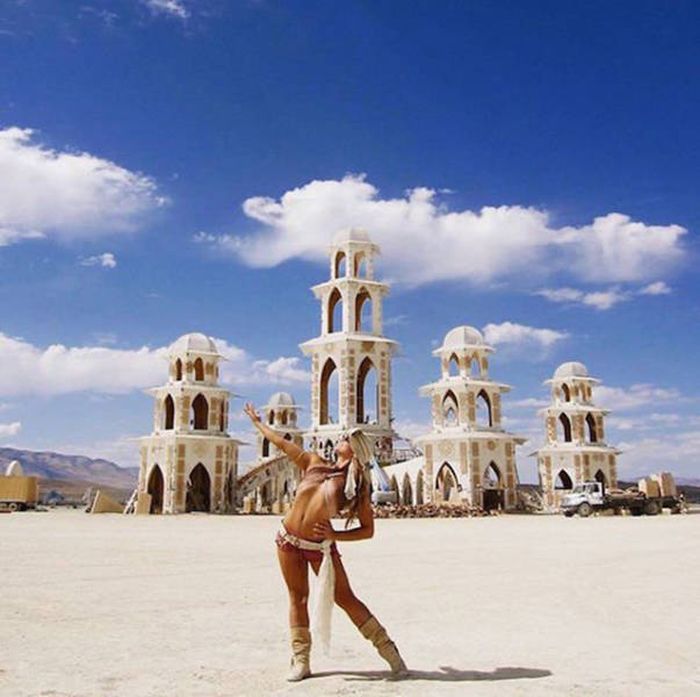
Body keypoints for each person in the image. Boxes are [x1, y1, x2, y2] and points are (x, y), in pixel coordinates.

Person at [244, 402, 407, 682]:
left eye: (346, 438)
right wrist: (258, 423)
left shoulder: (354, 487)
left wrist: (335, 536)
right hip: (288, 541)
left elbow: (368, 530)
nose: (340, 439)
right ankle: (301, 660)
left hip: (320, 548)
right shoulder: (315, 462)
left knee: (345, 599)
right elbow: (283, 444)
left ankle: (389, 651)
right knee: (298, 598)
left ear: (355, 448)